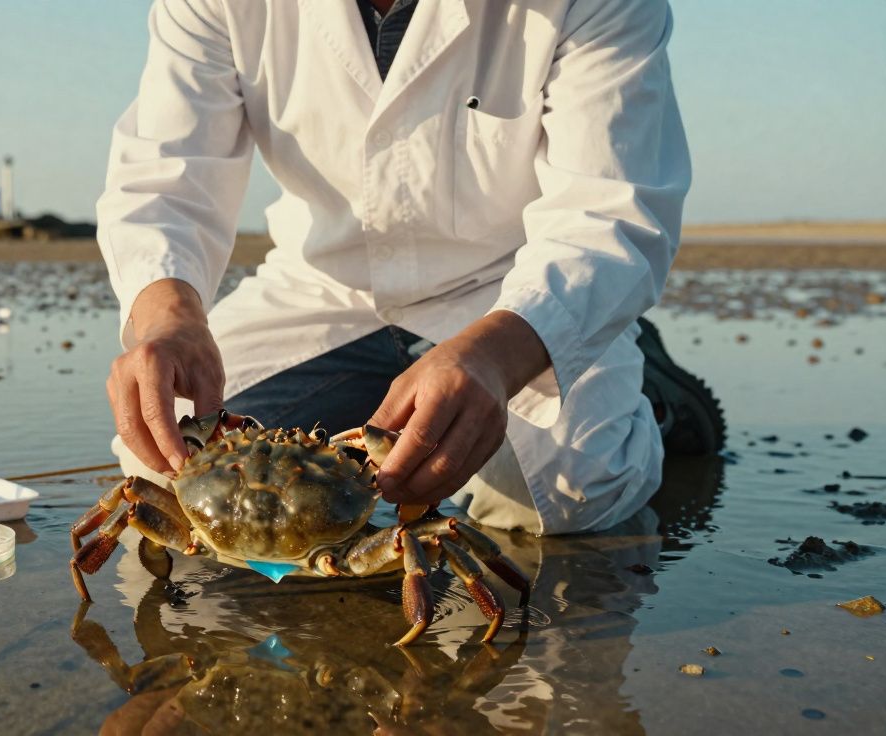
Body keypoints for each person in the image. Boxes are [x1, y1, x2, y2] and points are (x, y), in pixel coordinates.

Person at [97, 0, 723, 535]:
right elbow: (166, 177)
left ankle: (645, 387)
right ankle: (372, 423)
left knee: (571, 496)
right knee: (163, 464)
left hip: (513, 292)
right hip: (325, 285)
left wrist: (496, 356)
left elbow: (611, 208)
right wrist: (169, 319)